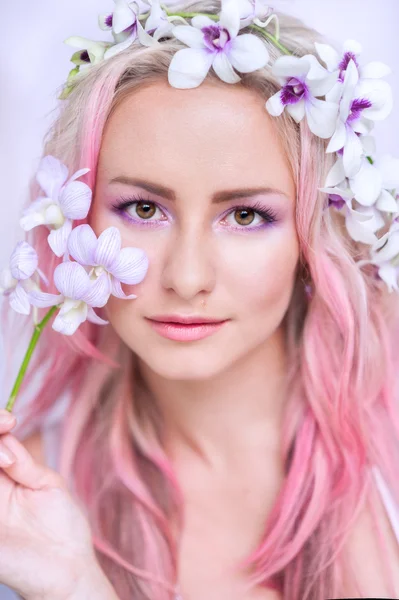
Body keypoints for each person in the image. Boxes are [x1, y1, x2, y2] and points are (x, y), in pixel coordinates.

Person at [0, 0, 399, 599]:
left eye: (244, 215)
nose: (187, 277)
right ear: (73, 226)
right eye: (143, 209)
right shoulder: (24, 511)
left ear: (316, 238)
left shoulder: (387, 479)